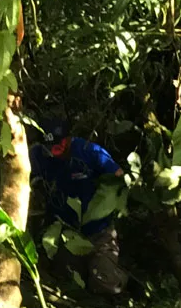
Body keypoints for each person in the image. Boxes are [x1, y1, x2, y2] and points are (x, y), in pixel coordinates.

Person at [29, 119, 127, 295]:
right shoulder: (38, 156)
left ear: (68, 139)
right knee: (69, 285)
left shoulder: (90, 152)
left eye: (58, 147)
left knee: (107, 283)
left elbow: (119, 177)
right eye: (49, 148)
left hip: (99, 231)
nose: (54, 153)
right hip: (65, 232)